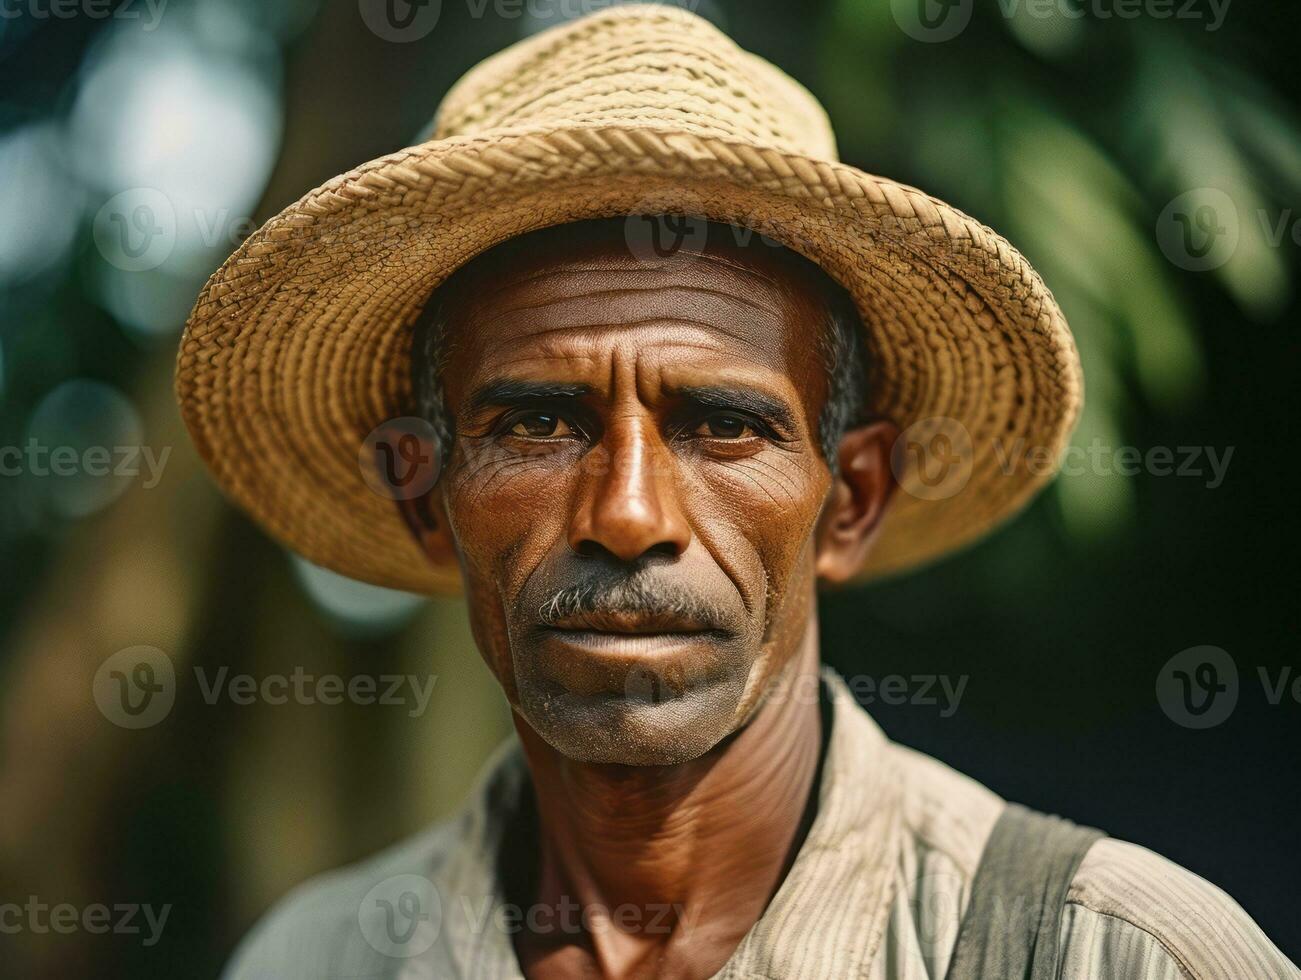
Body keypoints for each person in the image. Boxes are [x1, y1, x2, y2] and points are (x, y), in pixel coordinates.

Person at [175, 5, 1296, 977]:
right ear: (425, 500)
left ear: (850, 498)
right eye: (535, 424)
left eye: (723, 425)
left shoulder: (1116, 952)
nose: (626, 515)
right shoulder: (314, 958)